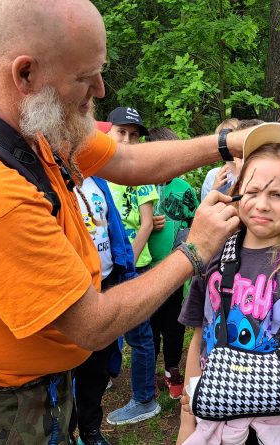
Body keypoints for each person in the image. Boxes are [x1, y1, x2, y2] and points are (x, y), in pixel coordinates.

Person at [0, 0, 246, 442]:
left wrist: (226, 143)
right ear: (25, 73)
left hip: (34, 384)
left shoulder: (9, 113)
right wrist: (195, 250)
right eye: (85, 77)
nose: (100, 89)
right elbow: (91, 324)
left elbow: (126, 161)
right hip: (0, 406)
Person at [177, 123, 280, 444]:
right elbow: (200, 336)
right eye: (252, 192)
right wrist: (187, 418)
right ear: (238, 191)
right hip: (215, 419)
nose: (262, 204)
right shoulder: (213, 256)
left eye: (278, 194)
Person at [70, 124, 139, 443]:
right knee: (69, 362)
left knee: (98, 363)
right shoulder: (53, 181)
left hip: (106, 281)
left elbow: (113, 230)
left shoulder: (97, 180)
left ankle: (90, 427)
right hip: (74, 287)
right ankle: (65, 427)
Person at [104, 106, 163, 424]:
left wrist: (126, 266)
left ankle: (144, 399)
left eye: (134, 135)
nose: (128, 140)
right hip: (104, 267)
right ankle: (105, 374)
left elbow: (145, 224)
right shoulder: (98, 171)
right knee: (105, 326)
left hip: (133, 267)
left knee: (139, 336)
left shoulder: (142, 174)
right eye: (122, 132)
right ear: (108, 132)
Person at [146, 127, 200, 400]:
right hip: (145, 269)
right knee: (149, 325)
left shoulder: (184, 189)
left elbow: (194, 223)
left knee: (174, 324)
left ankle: (172, 368)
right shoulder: (140, 185)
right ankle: (148, 372)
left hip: (175, 269)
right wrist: (147, 224)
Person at [201, 119, 241, 200]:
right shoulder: (213, 175)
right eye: (222, 140)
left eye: (232, 137)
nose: (228, 145)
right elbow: (204, 206)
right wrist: (214, 190)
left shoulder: (252, 171)